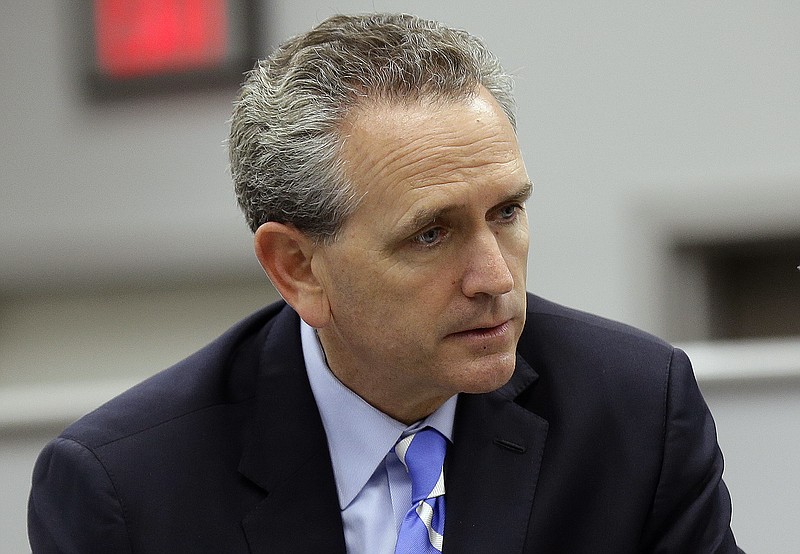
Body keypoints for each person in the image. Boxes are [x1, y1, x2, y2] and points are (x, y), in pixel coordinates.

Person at [28, 13, 742, 553]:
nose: (495, 277)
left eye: (507, 212)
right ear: (297, 268)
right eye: (431, 233)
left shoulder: (634, 410)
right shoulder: (127, 489)